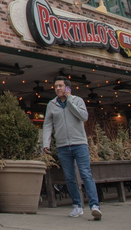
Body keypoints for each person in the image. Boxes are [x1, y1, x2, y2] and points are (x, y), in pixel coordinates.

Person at [42, 76, 102, 220]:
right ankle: (77, 206)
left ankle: (94, 206)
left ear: (67, 88)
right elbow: (47, 124)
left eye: (60, 86)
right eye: (55, 86)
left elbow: (83, 116)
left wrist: (69, 101)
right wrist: (46, 142)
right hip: (63, 146)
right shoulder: (51, 104)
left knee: (86, 174)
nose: (57, 89)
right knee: (69, 177)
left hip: (79, 143)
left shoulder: (77, 100)